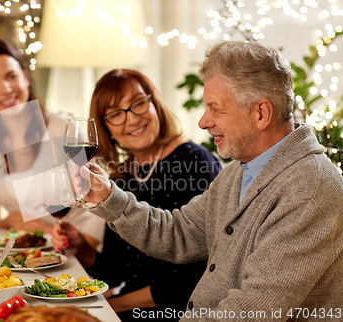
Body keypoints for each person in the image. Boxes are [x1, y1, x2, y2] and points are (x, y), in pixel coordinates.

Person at [71, 41, 343, 320]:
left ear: (261, 113)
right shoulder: (239, 172)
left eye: (215, 108)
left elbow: (250, 310)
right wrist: (107, 196)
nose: (203, 121)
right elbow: (178, 234)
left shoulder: (310, 188)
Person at [52, 69, 221, 320]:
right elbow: (115, 273)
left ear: (155, 104)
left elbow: (199, 274)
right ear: (105, 127)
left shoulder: (195, 161)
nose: (131, 119)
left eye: (138, 103)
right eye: (116, 114)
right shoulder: (123, 177)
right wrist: (82, 247)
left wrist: (118, 305)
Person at [0, 37, 104, 248]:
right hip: (28, 257)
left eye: (11, 76)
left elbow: (99, 206)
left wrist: (84, 248)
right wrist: (10, 222)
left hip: (79, 251)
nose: (6, 89)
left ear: (26, 78)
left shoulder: (63, 129)